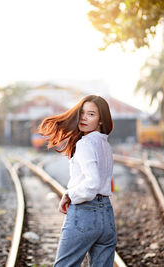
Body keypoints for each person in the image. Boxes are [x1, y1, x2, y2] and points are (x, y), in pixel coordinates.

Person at [38, 95, 117, 267]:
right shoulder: (105, 145)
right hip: (107, 216)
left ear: (101, 120)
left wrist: (70, 194)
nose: (83, 118)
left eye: (91, 114)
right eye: (82, 113)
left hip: (85, 213)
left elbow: (92, 183)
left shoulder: (85, 144)